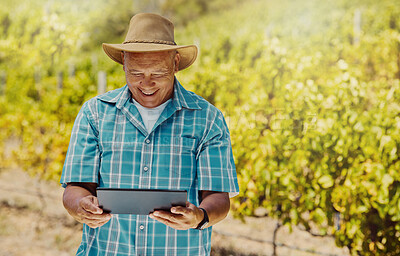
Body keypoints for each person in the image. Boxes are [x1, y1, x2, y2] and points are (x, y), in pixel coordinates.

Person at [61, 13, 239, 256]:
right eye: (135, 73)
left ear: (175, 63)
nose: (146, 83)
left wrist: (199, 216)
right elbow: (76, 187)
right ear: (123, 61)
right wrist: (80, 206)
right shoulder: (95, 113)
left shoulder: (207, 119)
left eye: (157, 73)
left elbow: (218, 196)